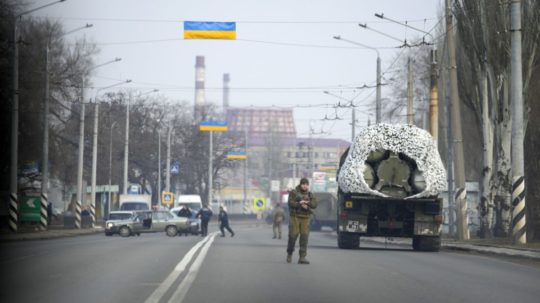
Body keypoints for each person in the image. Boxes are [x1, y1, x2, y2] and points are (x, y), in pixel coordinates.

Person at [287, 178, 317, 264]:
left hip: (305, 218)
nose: (305, 186)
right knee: (293, 236)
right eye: (303, 184)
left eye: (307, 184)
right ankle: (289, 253)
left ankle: (302, 257)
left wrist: (307, 204)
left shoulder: (310, 194)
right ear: (300, 184)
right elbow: (290, 203)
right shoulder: (294, 192)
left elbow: (315, 205)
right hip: (295, 217)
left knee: (304, 237)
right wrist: (299, 204)